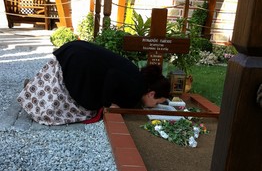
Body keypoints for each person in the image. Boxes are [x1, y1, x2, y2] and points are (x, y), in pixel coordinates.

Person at [17, 40, 170, 126]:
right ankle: (35, 98)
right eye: (157, 102)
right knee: (76, 103)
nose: (154, 105)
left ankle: (32, 88)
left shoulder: (138, 79)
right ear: (152, 93)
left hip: (79, 51)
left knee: (58, 85)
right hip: (81, 59)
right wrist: (107, 103)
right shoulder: (137, 87)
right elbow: (112, 75)